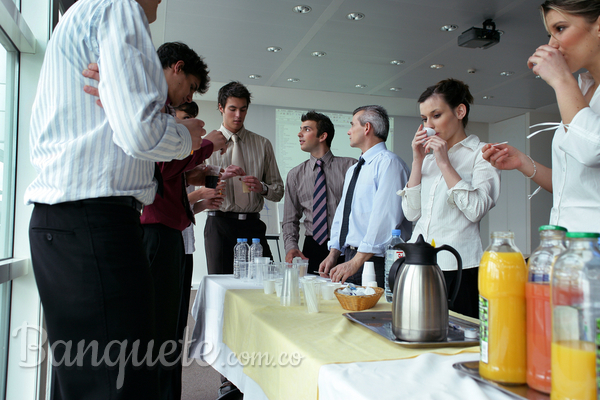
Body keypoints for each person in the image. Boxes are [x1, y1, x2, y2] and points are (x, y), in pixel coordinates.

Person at [24, 1, 207, 399]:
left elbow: (130, 126)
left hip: (71, 221)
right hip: (94, 221)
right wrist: (186, 136)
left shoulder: (84, 15)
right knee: (120, 383)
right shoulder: (117, 7)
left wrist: (126, 97)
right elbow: (139, 134)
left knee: (89, 379)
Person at [482, 0, 600, 233]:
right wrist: (523, 162)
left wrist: (561, 80)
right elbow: (571, 187)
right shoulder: (584, 89)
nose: (551, 45)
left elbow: (591, 149)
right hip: (568, 246)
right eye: (549, 33)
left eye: (560, 28)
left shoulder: (569, 88)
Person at [398, 79, 501, 318]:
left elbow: (476, 210)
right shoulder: (429, 158)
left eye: (436, 115)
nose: (429, 126)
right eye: (424, 119)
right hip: (420, 265)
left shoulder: (482, 153)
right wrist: (417, 160)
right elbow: (411, 213)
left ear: (460, 111)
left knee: (457, 344)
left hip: (459, 267)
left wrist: (445, 163)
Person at [319, 105, 411, 288]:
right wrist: (334, 253)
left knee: (372, 316)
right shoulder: (354, 169)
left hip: (376, 261)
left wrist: (356, 262)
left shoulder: (390, 164)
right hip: (352, 257)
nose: (348, 131)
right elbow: (343, 213)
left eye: (352, 125)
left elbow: (385, 220)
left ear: (367, 128)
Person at [204, 81, 284, 275]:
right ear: (221, 108)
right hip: (219, 225)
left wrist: (262, 188)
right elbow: (196, 189)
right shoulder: (206, 144)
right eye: (232, 109)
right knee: (222, 288)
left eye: (243, 109)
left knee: (265, 283)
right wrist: (219, 178)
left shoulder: (263, 144)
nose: (238, 115)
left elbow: (278, 191)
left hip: (252, 227)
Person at [282, 111, 356, 274]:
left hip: (347, 248)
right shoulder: (295, 175)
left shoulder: (351, 167)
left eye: (306, 129)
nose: (299, 134)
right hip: (311, 249)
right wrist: (291, 247)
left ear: (322, 136)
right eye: (301, 129)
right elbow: (289, 219)